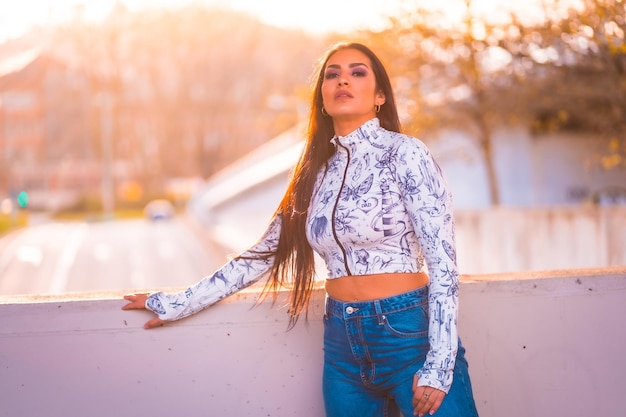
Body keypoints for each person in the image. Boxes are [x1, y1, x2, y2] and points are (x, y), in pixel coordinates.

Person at [123, 41, 479, 417]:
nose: (343, 80)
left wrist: (439, 365)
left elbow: (443, 263)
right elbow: (261, 255)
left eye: (357, 73)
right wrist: (177, 303)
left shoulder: (406, 153)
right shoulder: (314, 173)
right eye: (332, 74)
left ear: (379, 97)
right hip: (342, 347)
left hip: (410, 338)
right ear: (323, 98)